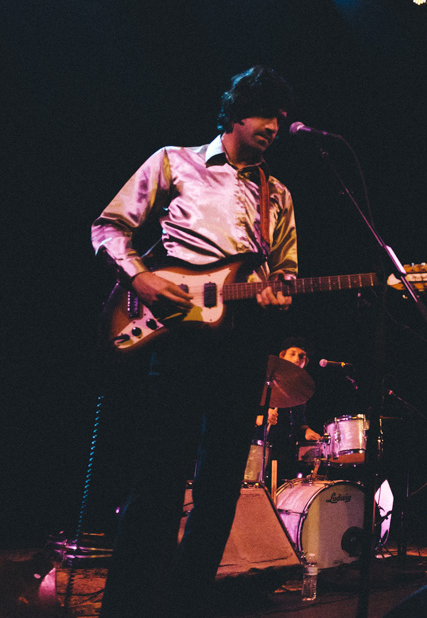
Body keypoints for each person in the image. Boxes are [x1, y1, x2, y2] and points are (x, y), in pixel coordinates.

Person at [92, 66, 298, 617]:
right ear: (233, 115)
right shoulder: (173, 161)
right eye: (263, 113)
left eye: (280, 116)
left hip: (243, 343)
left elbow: (285, 273)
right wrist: (141, 278)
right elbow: (108, 228)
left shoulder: (276, 195)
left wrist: (278, 296)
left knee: (222, 484)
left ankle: (188, 604)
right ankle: (129, 606)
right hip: (179, 337)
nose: (274, 126)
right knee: (160, 474)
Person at [253, 337, 323, 483]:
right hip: (257, 452)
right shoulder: (265, 383)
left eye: (301, 356)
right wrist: (262, 417)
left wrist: (307, 431)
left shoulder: (300, 393)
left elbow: (299, 423)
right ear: (282, 355)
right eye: (292, 354)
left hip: (286, 456)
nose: (297, 359)